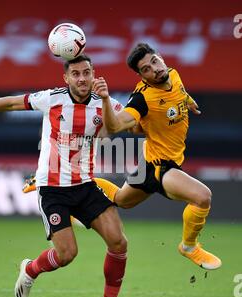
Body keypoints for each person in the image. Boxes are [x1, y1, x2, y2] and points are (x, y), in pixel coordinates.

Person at [0, 54, 138, 297]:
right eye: (76, 74)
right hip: (52, 189)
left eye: (87, 72)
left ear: (94, 74)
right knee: (66, 255)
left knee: (118, 242)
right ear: (66, 78)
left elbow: (122, 125)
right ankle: (29, 270)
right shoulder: (52, 98)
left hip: (85, 185)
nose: (82, 78)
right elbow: (9, 103)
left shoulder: (104, 102)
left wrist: (108, 99)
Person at [91, 43, 222, 270]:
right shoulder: (142, 98)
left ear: (160, 57)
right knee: (202, 197)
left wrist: (188, 102)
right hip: (162, 166)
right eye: (146, 69)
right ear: (142, 76)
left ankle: (76, 185)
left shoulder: (173, 74)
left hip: (149, 164)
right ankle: (189, 247)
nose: (154, 69)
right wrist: (105, 99)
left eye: (154, 61)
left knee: (122, 200)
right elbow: (115, 125)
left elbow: (178, 92)